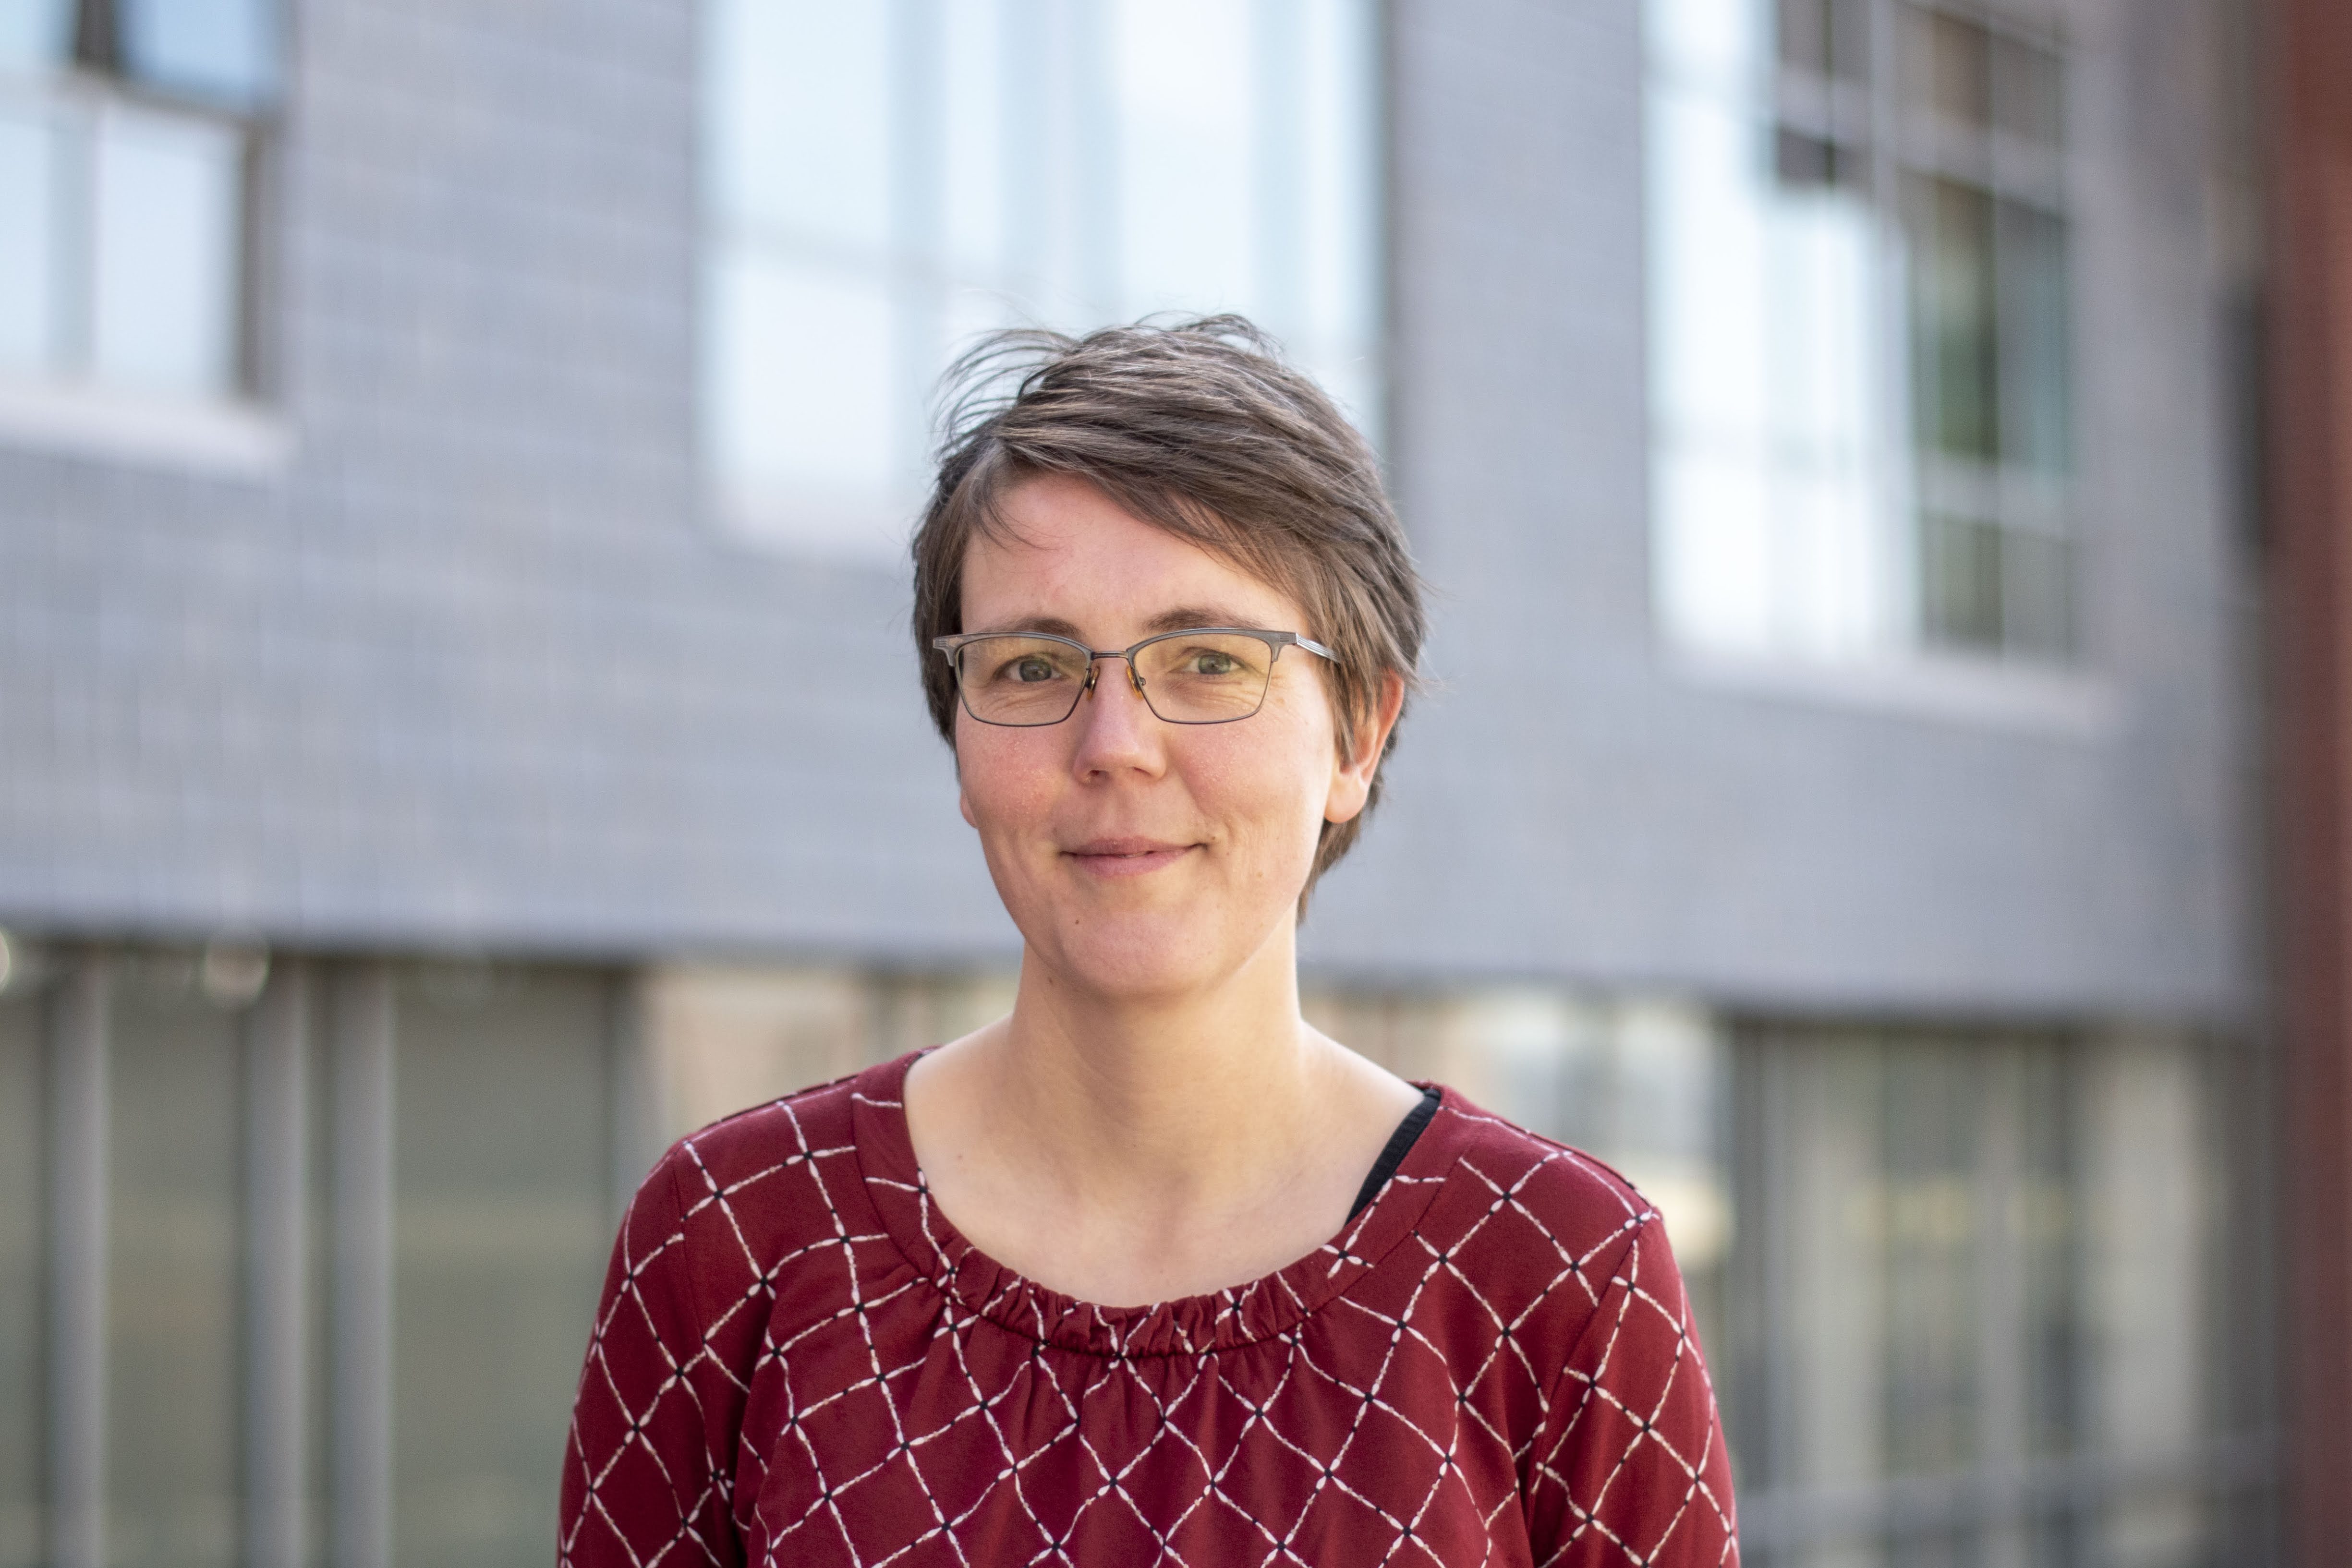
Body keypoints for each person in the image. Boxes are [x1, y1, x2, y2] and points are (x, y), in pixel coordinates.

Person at [559, 318, 1737, 1566]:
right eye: (1030, 665)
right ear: (958, 739)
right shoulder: (733, 1236)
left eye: (1208, 659)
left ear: (1357, 735)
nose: (1113, 739)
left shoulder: (1558, 1274)